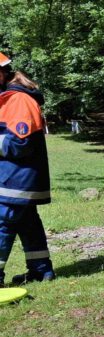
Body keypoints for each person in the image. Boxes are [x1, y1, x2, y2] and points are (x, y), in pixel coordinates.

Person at [0, 51, 55, 286]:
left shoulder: (19, 100)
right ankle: (41, 271)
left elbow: (20, 143)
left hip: (17, 180)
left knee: (2, 222)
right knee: (27, 223)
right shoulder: (8, 97)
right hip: (15, 178)